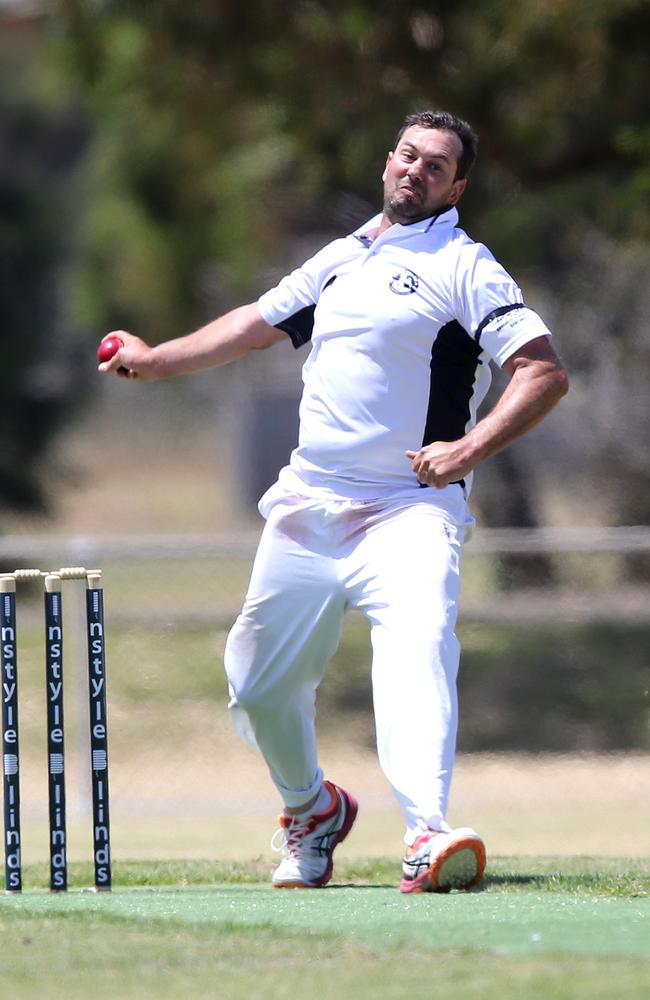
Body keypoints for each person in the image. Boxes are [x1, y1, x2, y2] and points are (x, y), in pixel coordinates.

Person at [99, 109, 569, 893]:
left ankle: (426, 832)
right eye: (408, 156)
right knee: (255, 684)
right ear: (389, 160)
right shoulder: (342, 258)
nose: (416, 171)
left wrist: (466, 449)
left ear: (457, 186)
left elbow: (542, 370)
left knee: (419, 643)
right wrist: (156, 360)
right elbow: (256, 324)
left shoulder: (464, 264)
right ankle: (312, 809)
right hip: (310, 504)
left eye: (436, 165)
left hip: (409, 510)